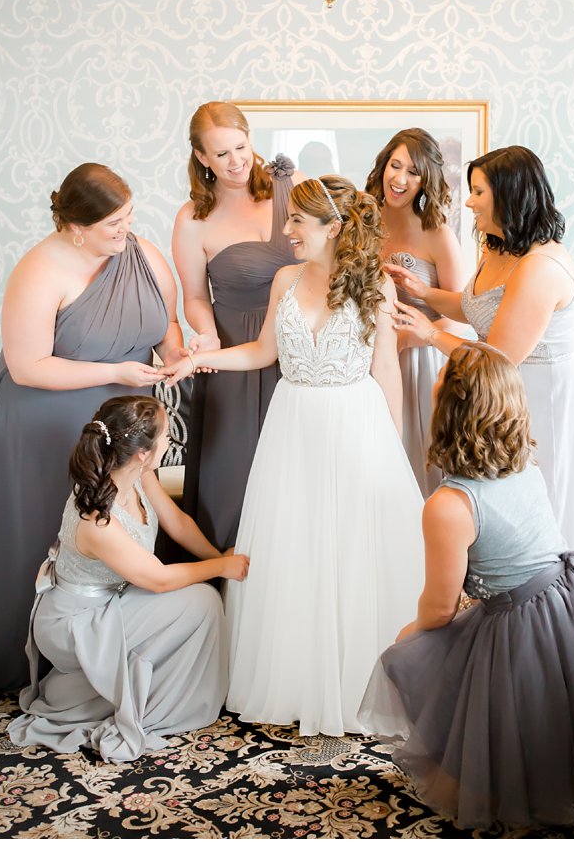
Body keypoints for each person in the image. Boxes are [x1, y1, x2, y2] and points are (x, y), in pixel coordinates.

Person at [165, 174, 423, 736]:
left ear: (333, 227)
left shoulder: (375, 286)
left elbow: (386, 372)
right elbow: (261, 353)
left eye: (298, 222)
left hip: (354, 424)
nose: (286, 231)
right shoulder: (284, 278)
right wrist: (197, 361)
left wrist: (393, 451)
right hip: (292, 427)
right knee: (296, 547)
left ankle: (358, 681)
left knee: (352, 550)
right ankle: (297, 677)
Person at [358, 342, 574, 836]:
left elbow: (442, 608)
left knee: (417, 656)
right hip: (571, 598)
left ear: (451, 407)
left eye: (442, 374)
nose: (435, 376)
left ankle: (501, 780)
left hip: (520, 622)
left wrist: (409, 632)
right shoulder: (525, 467)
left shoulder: (449, 505)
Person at [0, 163, 190, 698]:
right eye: (114, 223)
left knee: (120, 530)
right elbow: (27, 366)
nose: (126, 230)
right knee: (45, 530)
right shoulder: (40, 269)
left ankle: (120, 648)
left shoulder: (142, 253)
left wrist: (178, 353)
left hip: (122, 415)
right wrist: (114, 372)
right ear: (76, 227)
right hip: (45, 420)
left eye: (130, 216)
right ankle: (32, 659)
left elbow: (169, 324)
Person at [386, 146, 574, 558]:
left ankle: (554, 605)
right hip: (509, 392)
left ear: (508, 195)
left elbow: (496, 357)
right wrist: (422, 291)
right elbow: (476, 305)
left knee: (547, 503)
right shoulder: (498, 248)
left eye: (478, 192)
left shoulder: (541, 267)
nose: (468, 201)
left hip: (546, 397)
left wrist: (429, 333)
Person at [9, 395, 247, 761]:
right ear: (142, 452)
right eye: (166, 436)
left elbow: (178, 524)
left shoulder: (139, 475)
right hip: (74, 622)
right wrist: (221, 570)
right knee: (201, 602)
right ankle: (145, 708)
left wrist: (220, 557)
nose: (170, 442)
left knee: (200, 601)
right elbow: (158, 580)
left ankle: (116, 689)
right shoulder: (96, 519)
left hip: (111, 601)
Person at [171, 101, 299, 550]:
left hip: (304, 351)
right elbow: (193, 296)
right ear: (202, 157)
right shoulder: (193, 219)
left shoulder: (295, 190)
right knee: (235, 474)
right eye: (221, 154)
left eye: (241, 147)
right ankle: (229, 585)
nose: (236, 161)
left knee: (298, 472)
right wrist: (205, 334)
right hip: (234, 352)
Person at [365, 128, 471, 497]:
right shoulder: (361, 225)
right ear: (383, 166)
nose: (400, 179)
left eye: (413, 172)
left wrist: (405, 338)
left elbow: (459, 312)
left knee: (419, 456)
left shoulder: (437, 233)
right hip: (368, 360)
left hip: (420, 364)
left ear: (426, 181)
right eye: (395, 165)